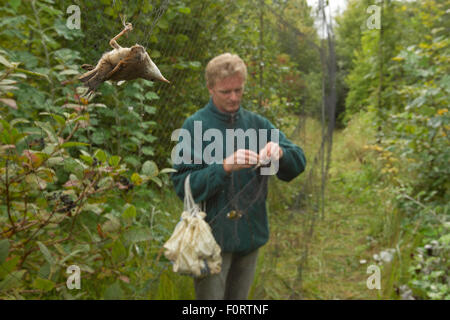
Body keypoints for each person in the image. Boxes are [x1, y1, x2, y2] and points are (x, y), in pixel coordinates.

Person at [171, 53, 306, 300]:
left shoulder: (257, 124)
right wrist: (222, 168)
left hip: (249, 236)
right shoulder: (194, 126)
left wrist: (280, 153)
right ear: (210, 88)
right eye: (225, 92)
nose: (234, 97)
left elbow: (298, 162)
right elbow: (182, 184)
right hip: (210, 239)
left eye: (238, 90)